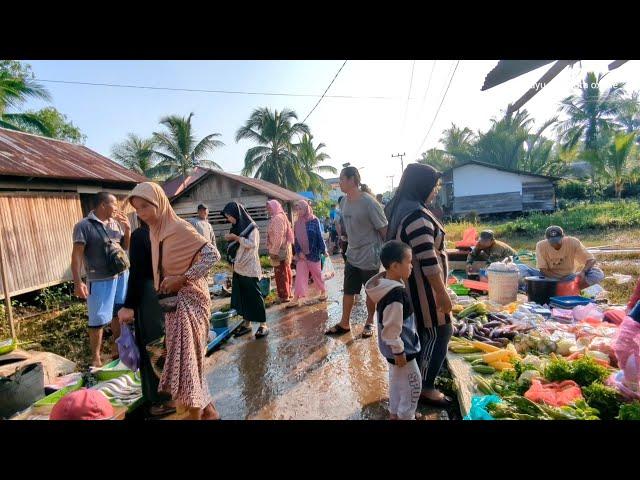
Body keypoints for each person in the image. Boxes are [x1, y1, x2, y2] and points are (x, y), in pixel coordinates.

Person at [126, 182, 221, 420]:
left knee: (187, 366)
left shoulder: (179, 227)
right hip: (171, 304)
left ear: (160, 203)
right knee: (187, 363)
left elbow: (212, 255)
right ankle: (209, 413)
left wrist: (183, 278)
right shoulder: (154, 231)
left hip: (190, 302)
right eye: (137, 209)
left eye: (146, 206)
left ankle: (194, 415)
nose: (142, 213)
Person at [384, 163, 454, 408]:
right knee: (440, 332)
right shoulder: (415, 216)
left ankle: (419, 382)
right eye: (433, 187)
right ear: (422, 185)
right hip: (424, 290)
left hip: (417, 288)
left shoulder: (404, 208)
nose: (435, 191)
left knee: (426, 334)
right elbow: (428, 261)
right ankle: (425, 386)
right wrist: (442, 294)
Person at [117, 220, 175, 418]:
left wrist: (128, 305)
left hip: (149, 293)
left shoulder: (141, 235)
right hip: (170, 290)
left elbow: (137, 273)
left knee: (154, 344)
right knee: (166, 341)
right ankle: (176, 391)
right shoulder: (170, 231)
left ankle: (163, 399)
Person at [326, 167, 388, 338]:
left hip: (370, 254)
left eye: (341, 179)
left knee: (370, 292)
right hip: (352, 254)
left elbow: (384, 229)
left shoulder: (369, 202)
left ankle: (369, 322)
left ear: (353, 179)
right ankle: (344, 323)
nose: (339, 183)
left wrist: (389, 255)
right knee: (348, 290)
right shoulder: (344, 202)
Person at [72, 191, 131, 368]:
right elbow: (76, 256)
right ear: (103, 205)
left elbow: (125, 247)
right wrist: (77, 282)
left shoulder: (115, 223)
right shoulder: (84, 226)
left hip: (121, 276)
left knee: (118, 313)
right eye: (114, 204)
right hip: (99, 279)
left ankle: (117, 350)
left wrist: (127, 230)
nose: (117, 208)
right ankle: (96, 359)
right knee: (97, 319)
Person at [365, 240, 422, 420]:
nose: (411, 266)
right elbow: (391, 328)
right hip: (402, 349)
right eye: (409, 262)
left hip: (392, 349)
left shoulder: (386, 285)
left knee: (397, 382)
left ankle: (395, 414)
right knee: (414, 385)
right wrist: (399, 351)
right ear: (395, 266)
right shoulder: (396, 293)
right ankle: (406, 416)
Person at [222, 202, 268, 339]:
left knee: (255, 296)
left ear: (237, 214)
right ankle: (247, 324)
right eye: (227, 217)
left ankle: (263, 325)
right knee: (243, 298)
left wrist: (236, 238)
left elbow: (252, 245)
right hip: (238, 268)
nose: (228, 219)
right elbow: (233, 247)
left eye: (229, 216)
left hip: (250, 267)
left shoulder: (252, 228)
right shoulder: (235, 228)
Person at [517, 226, 605, 289]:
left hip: (568, 277)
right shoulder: (541, 245)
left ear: (563, 237)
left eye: (557, 241)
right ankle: (529, 288)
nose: (555, 244)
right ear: (546, 239)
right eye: (552, 242)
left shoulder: (573, 242)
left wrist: (583, 272)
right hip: (547, 278)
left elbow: (591, 260)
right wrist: (556, 281)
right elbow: (543, 269)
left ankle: (573, 289)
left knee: (597, 273)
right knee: (519, 268)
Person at [287, 200, 328, 308]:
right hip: (302, 256)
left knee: (317, 275)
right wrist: (299, 252)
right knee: (300, 276)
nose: (298, 211)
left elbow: (319, 236)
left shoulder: (315, 220)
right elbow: (296, 240)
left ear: (306, 208)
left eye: (300, 208)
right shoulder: (297, 223)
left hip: (314, 253)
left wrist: (324, 250)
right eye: (297, 209)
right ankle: (296, 298)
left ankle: (323, 291)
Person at [266, 199, 294, 304]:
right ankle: (288, 292)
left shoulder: (277, 218)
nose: (268, 210)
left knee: (280, 272)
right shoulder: (281, 216)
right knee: (286, 270)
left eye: (269, 207)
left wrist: (274, 251)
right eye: (267, 208)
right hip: (283, 248)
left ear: (274, 207)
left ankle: (284, 295)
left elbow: (278, 236)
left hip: (279, 250)